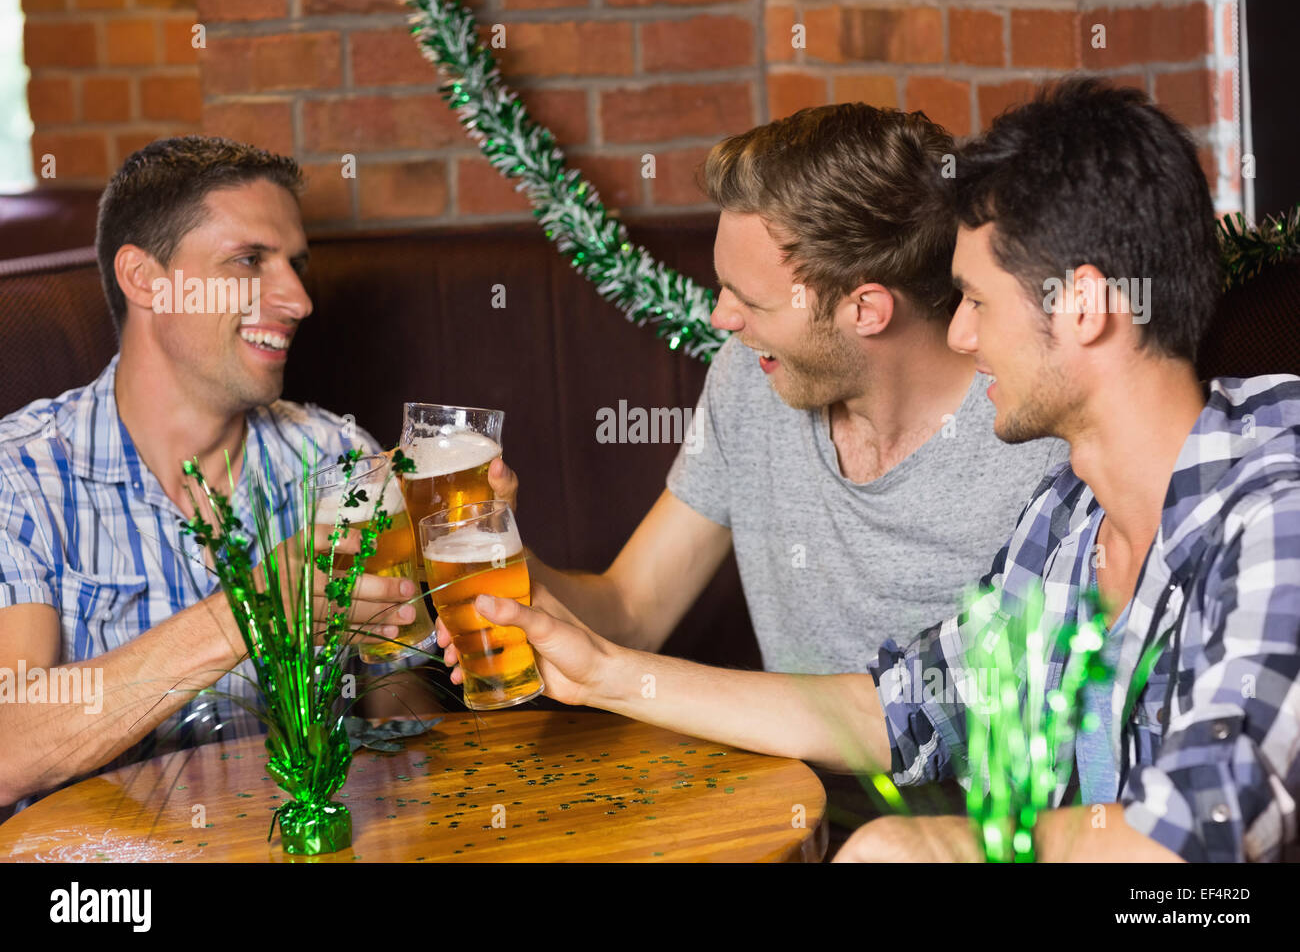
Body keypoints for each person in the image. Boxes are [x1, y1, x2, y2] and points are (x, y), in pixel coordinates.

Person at [453, 77, 1300, 862]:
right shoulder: (1071, 518)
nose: (960, 335)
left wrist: (944, 848)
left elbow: (1207, 825)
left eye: (975, 301)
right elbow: (898, 708)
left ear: (1080, 306)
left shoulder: (1278, 506)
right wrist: (603, 671)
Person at [488, 104, 1066, 838]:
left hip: (966, 842)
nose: (720, 318)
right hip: (781, 820)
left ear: (866, 309)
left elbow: (939, 717)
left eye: (749, 299)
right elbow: (630, 609)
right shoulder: (751, 378)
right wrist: (504, 561)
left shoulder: (1033, 435)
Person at [0, 137, 432, 813]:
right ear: (145, 279)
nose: (297, 299)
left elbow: (401, 703)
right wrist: (253, 608)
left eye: (296, 265)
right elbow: (6, 748)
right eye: (250, 261)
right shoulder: (21, 474)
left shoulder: (337, 455)